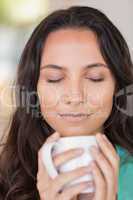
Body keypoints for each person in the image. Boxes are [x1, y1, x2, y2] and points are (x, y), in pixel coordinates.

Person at [0, 5, 133, 200]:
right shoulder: (7, 178)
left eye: (95, 78)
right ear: (33, 89)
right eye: (55, 78)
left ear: (117, 87)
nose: (75, 96)